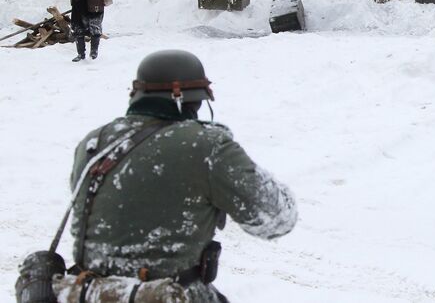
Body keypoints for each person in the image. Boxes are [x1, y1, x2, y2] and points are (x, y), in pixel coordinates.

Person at [66, 50, 297, 301]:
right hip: (169, 294)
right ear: (195, 101)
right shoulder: (206, 145)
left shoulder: (95, 141)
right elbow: (275, 217)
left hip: (88, 293)